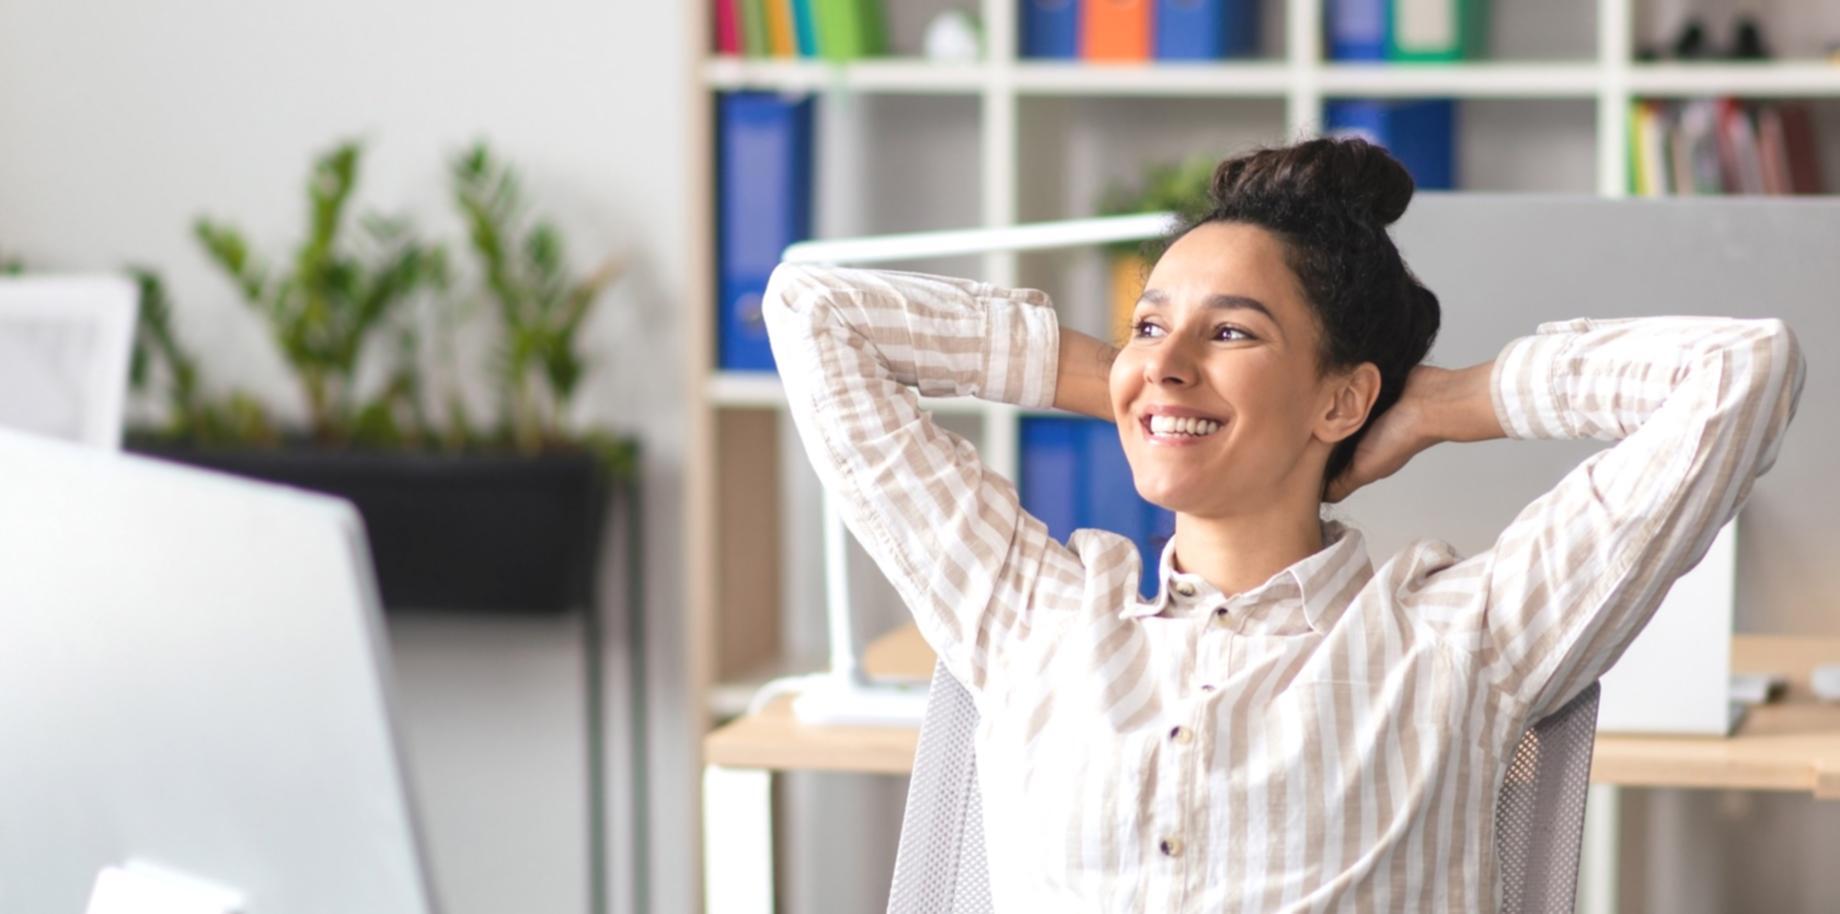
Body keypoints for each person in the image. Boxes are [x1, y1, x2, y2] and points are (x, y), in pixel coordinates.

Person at [761, 137, 1805, 912]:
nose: (1168, 354)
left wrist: (1440, 403)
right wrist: (1121, 378)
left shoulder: (1462, 639)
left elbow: (1737, 374)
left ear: (1340, 400)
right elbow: (813, 312)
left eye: (1230, 331)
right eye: (1150, 319)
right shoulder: (1030, 617)